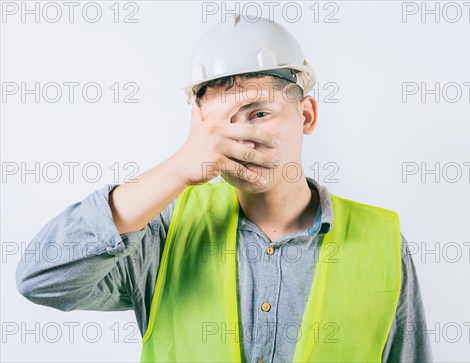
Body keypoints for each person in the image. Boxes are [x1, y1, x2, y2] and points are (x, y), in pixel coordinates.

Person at [16, 14, 432, 363]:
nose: (241, 137)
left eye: (260, 112)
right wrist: (178, 168)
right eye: (219, 123)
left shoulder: (381, 241)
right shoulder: (163, 231)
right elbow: (42, 279)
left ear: (305, 115)